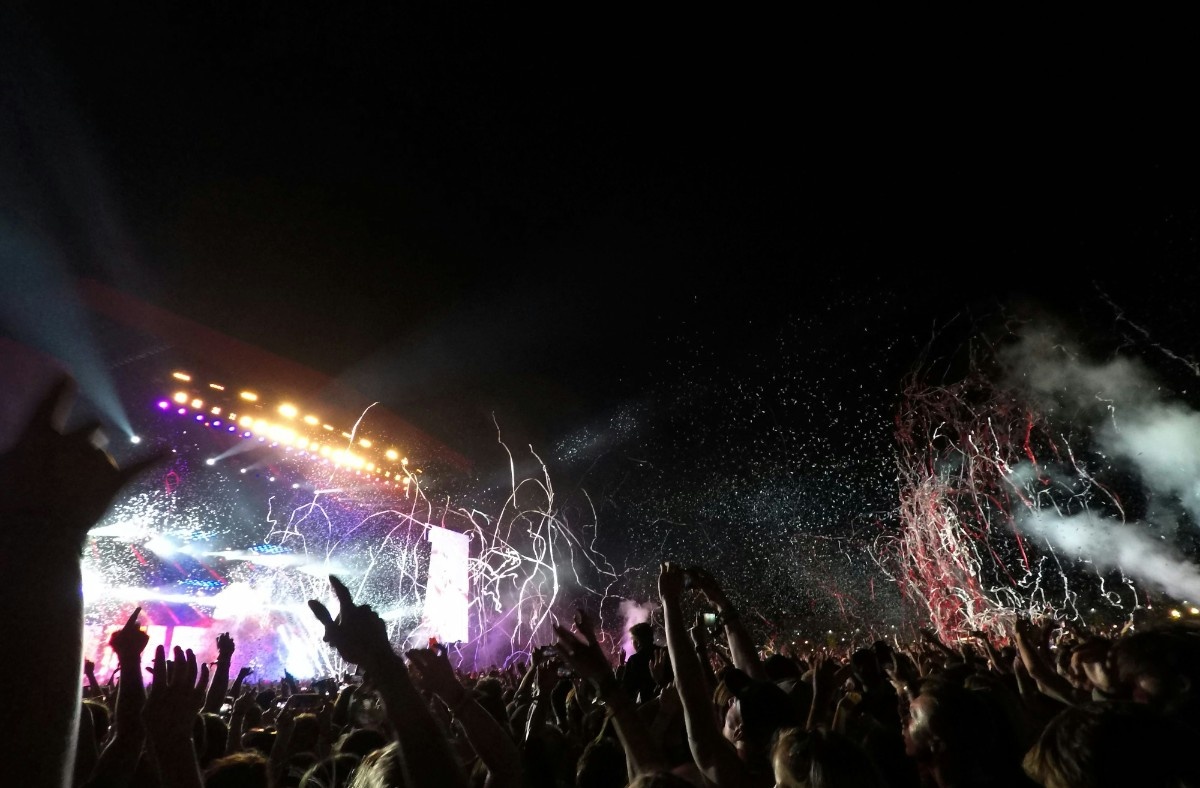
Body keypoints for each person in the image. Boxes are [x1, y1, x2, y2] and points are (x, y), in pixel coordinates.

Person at [623, 622, 663, 705]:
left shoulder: (634, 660)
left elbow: (627, 690)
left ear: (637, 641)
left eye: (632, 640)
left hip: (650, 705)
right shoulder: (665, 651)